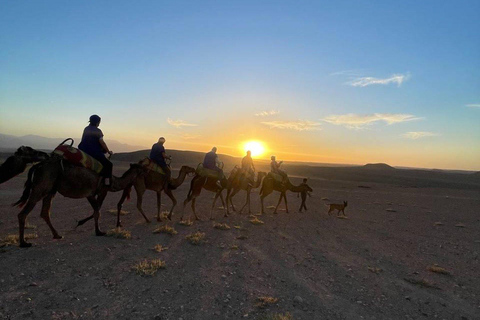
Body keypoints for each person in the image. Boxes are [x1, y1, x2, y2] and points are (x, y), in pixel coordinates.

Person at [78, 115, 113, 186]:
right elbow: (102, 142)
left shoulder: (86, 129)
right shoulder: (98, 131)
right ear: (97, 122)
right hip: (94, 152)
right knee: (109, 165)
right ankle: (106, 182)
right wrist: (108, 151)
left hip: (83, 150)